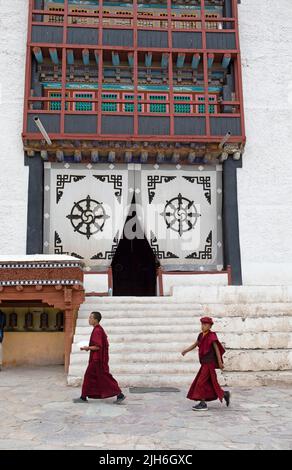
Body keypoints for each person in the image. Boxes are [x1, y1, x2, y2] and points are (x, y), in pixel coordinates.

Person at [73, 311, 125, 404]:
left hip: (97, 360)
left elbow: (98, 346)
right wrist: (89, 348)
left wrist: (87, 348)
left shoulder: (97, 330)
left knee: (95, 377)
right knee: (101, 377)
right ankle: (84, 396)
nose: (89, 319)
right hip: (97, 359)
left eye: (90, 318)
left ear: (95, 320)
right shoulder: (98, 329)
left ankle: (83, 397)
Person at [182, 316, 230, 411]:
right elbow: (195, 344)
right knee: (209, 384)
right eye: (202, 324)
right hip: (204, 364)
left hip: (209, 364)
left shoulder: (212, 336)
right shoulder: (201, 335)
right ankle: (224, 394)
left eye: (205, 324)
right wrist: (186, 350)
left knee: (201, 382)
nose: (203, 326)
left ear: (210, 326)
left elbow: (217, 350)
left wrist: (220, 363)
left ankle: (203, 403)